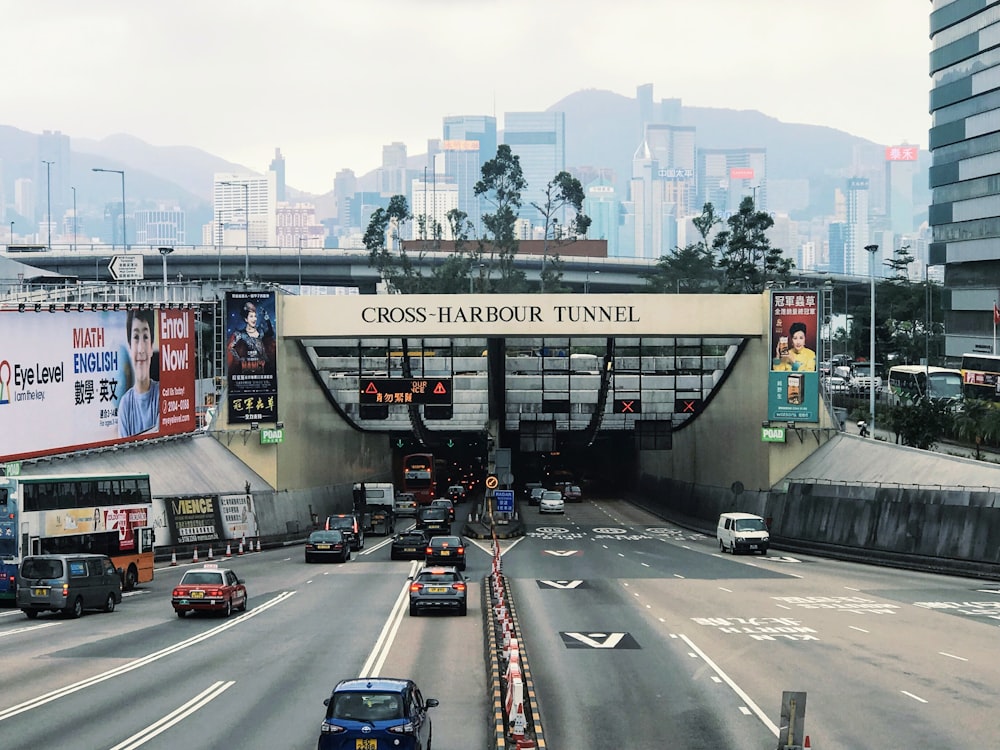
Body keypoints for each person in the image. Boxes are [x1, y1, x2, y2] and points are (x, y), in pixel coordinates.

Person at [118, 308, 160, 437]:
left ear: (151, 346)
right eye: (136, 337)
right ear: (130, 347)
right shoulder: (125, 404)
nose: (141, 349)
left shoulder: (162, 394)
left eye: (145, 337)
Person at [228, 300, 275, 375]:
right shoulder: (241, 334)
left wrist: (267, 319)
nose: (254, 319)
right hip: (249, 367)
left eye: (255, 316)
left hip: (265, 367)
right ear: (246, 319)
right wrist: (239, 359)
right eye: (251, 316)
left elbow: (270, 333)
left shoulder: (260, 331)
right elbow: (231, 348)